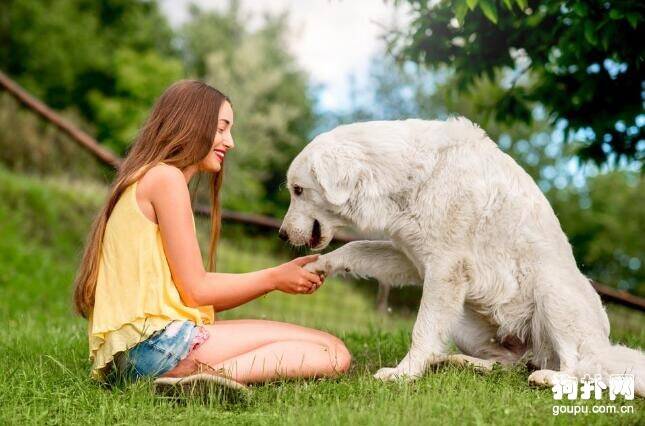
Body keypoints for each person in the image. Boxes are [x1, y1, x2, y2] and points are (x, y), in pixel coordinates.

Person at [72, 80, 351, 392]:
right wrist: (275, 278)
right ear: (192, 124)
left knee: (331, 346)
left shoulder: (146, 179)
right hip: (156, 348)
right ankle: (203, 378)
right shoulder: (165, 178)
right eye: (221, 128)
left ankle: (198, 377)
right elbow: (198, 290)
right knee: (332, 352)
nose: (229, 142)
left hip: (138, 354)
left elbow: (191, 292)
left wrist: (278, 278)